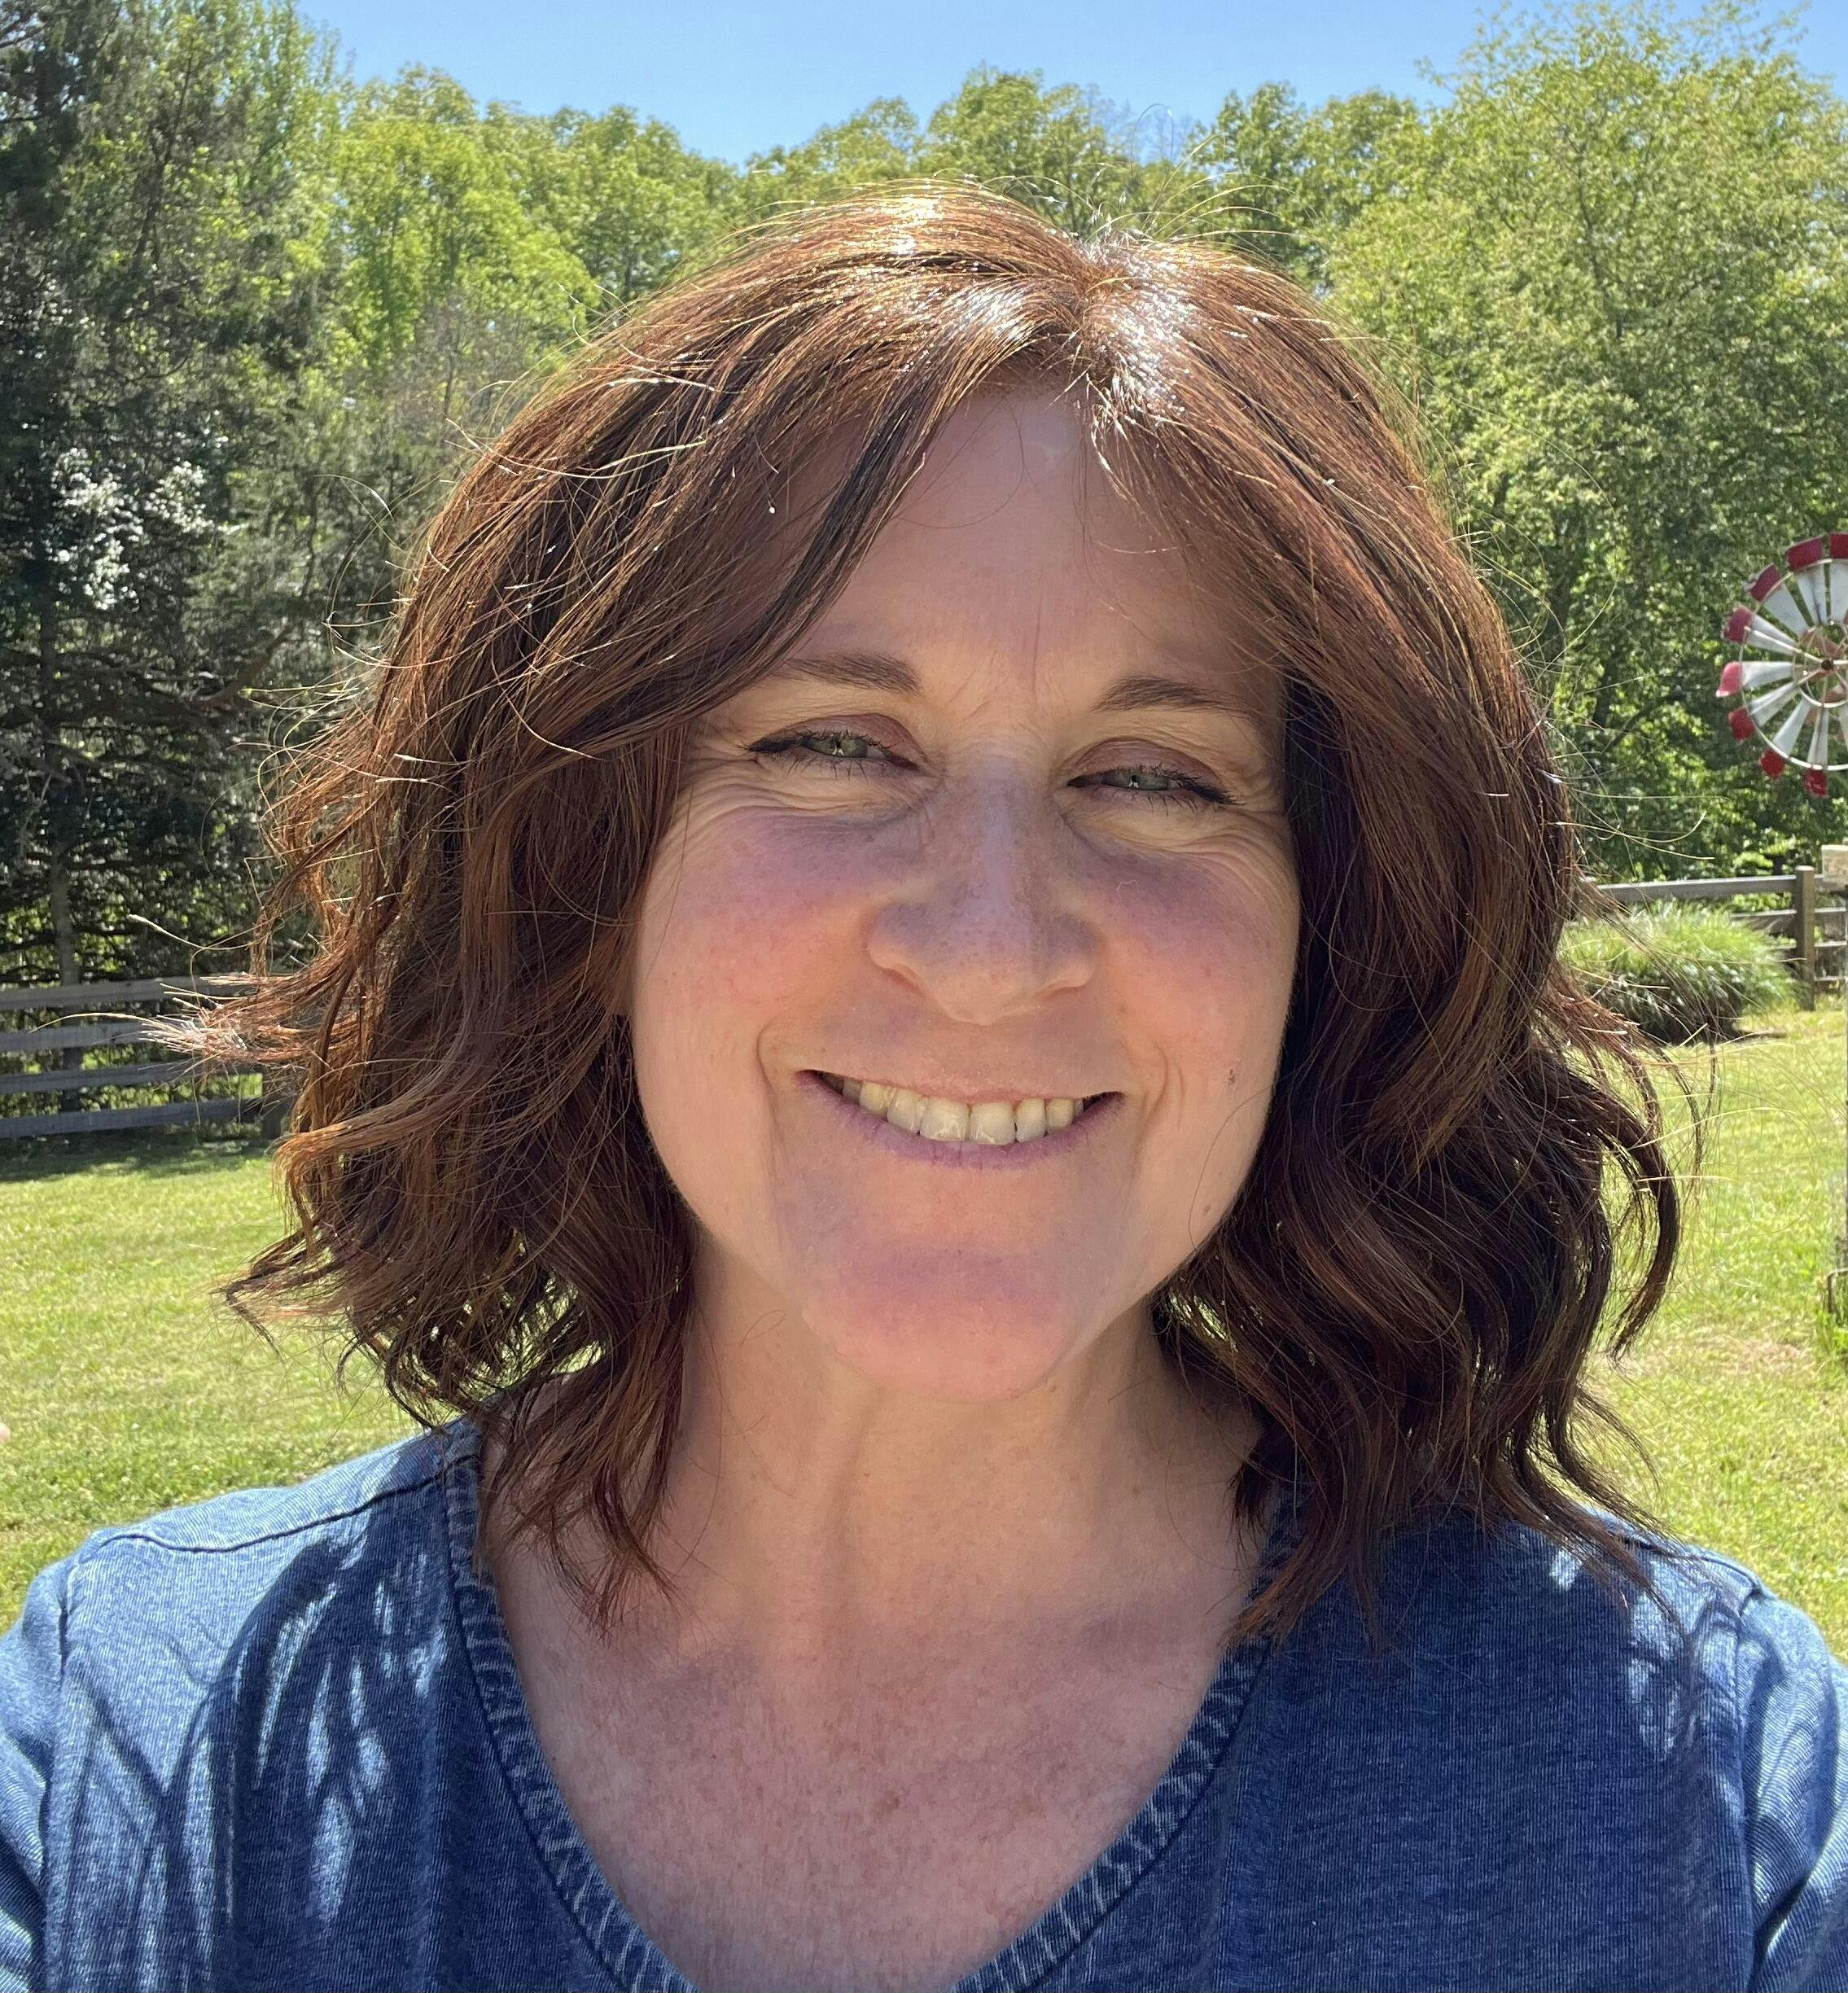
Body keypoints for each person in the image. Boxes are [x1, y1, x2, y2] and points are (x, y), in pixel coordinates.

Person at [2, 186, 1843, 1993]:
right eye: (833, 744)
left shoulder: (1702, 1808)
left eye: (1153, 775)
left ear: (1330, 929)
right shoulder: (135, 1754)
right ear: (581, 867)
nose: (988, 948)